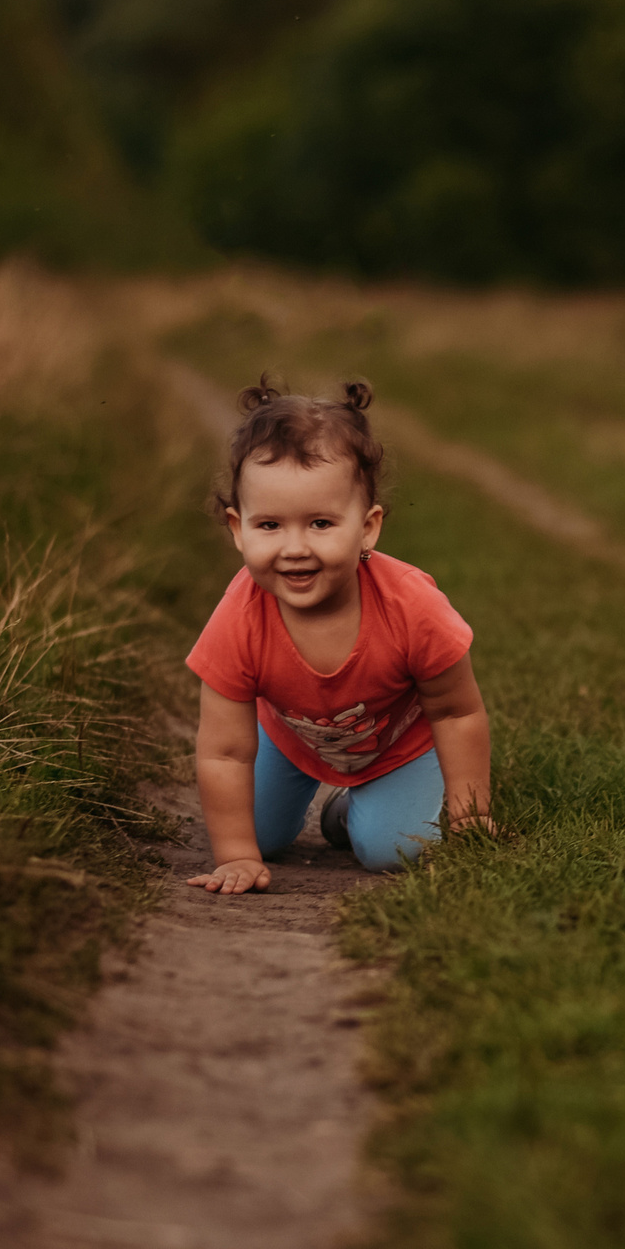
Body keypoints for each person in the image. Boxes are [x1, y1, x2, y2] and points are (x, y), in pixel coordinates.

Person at [183, 375, 490, 893]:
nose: (295, 547)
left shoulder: (412, 608)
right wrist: (236, 855)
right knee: (253, 832)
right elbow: (224, 752)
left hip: (398, 745)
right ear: (238, 530)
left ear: (367, 526)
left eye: (321, 524)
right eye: (270, 526)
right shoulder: (240, 617)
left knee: (392, 849)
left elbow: (456, 712)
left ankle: (354, 810)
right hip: (291, 738)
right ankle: (312, 804)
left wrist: (469, 816)